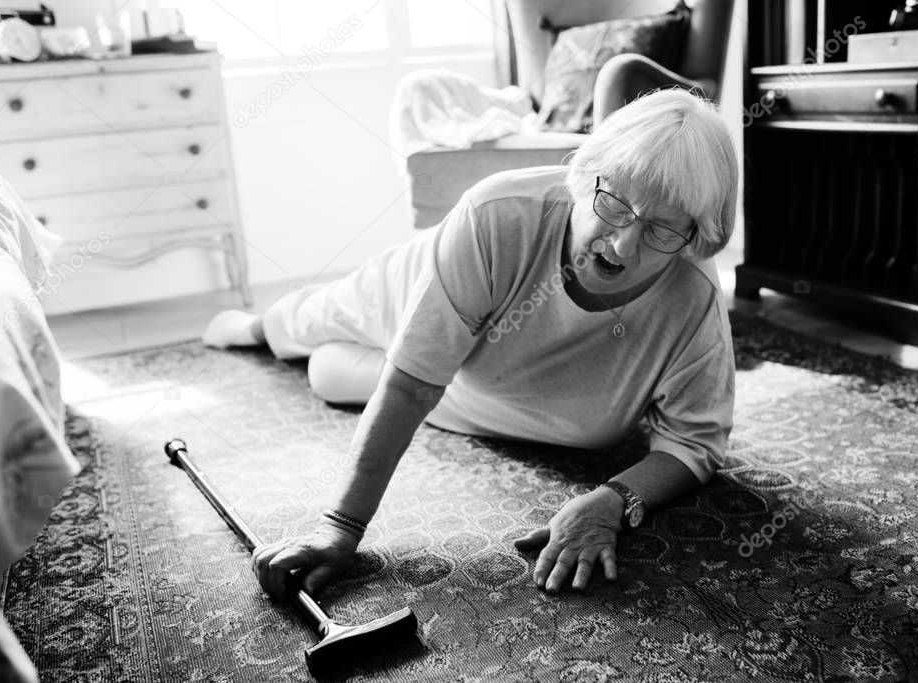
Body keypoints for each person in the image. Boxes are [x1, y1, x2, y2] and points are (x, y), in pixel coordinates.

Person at [201, 87, 738, 599]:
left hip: (475, 385)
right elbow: (412, 385)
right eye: (614, 205)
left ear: (696, 237)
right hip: (414, 298)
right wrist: (339, 526)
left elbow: (694, 445)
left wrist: (612, 500)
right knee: (305, 321)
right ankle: (255, 326)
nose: (623, 243)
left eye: (661, 230)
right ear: (582, 177)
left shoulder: (694, 297)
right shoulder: (496, 215)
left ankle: (338, 361)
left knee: (328, 376)